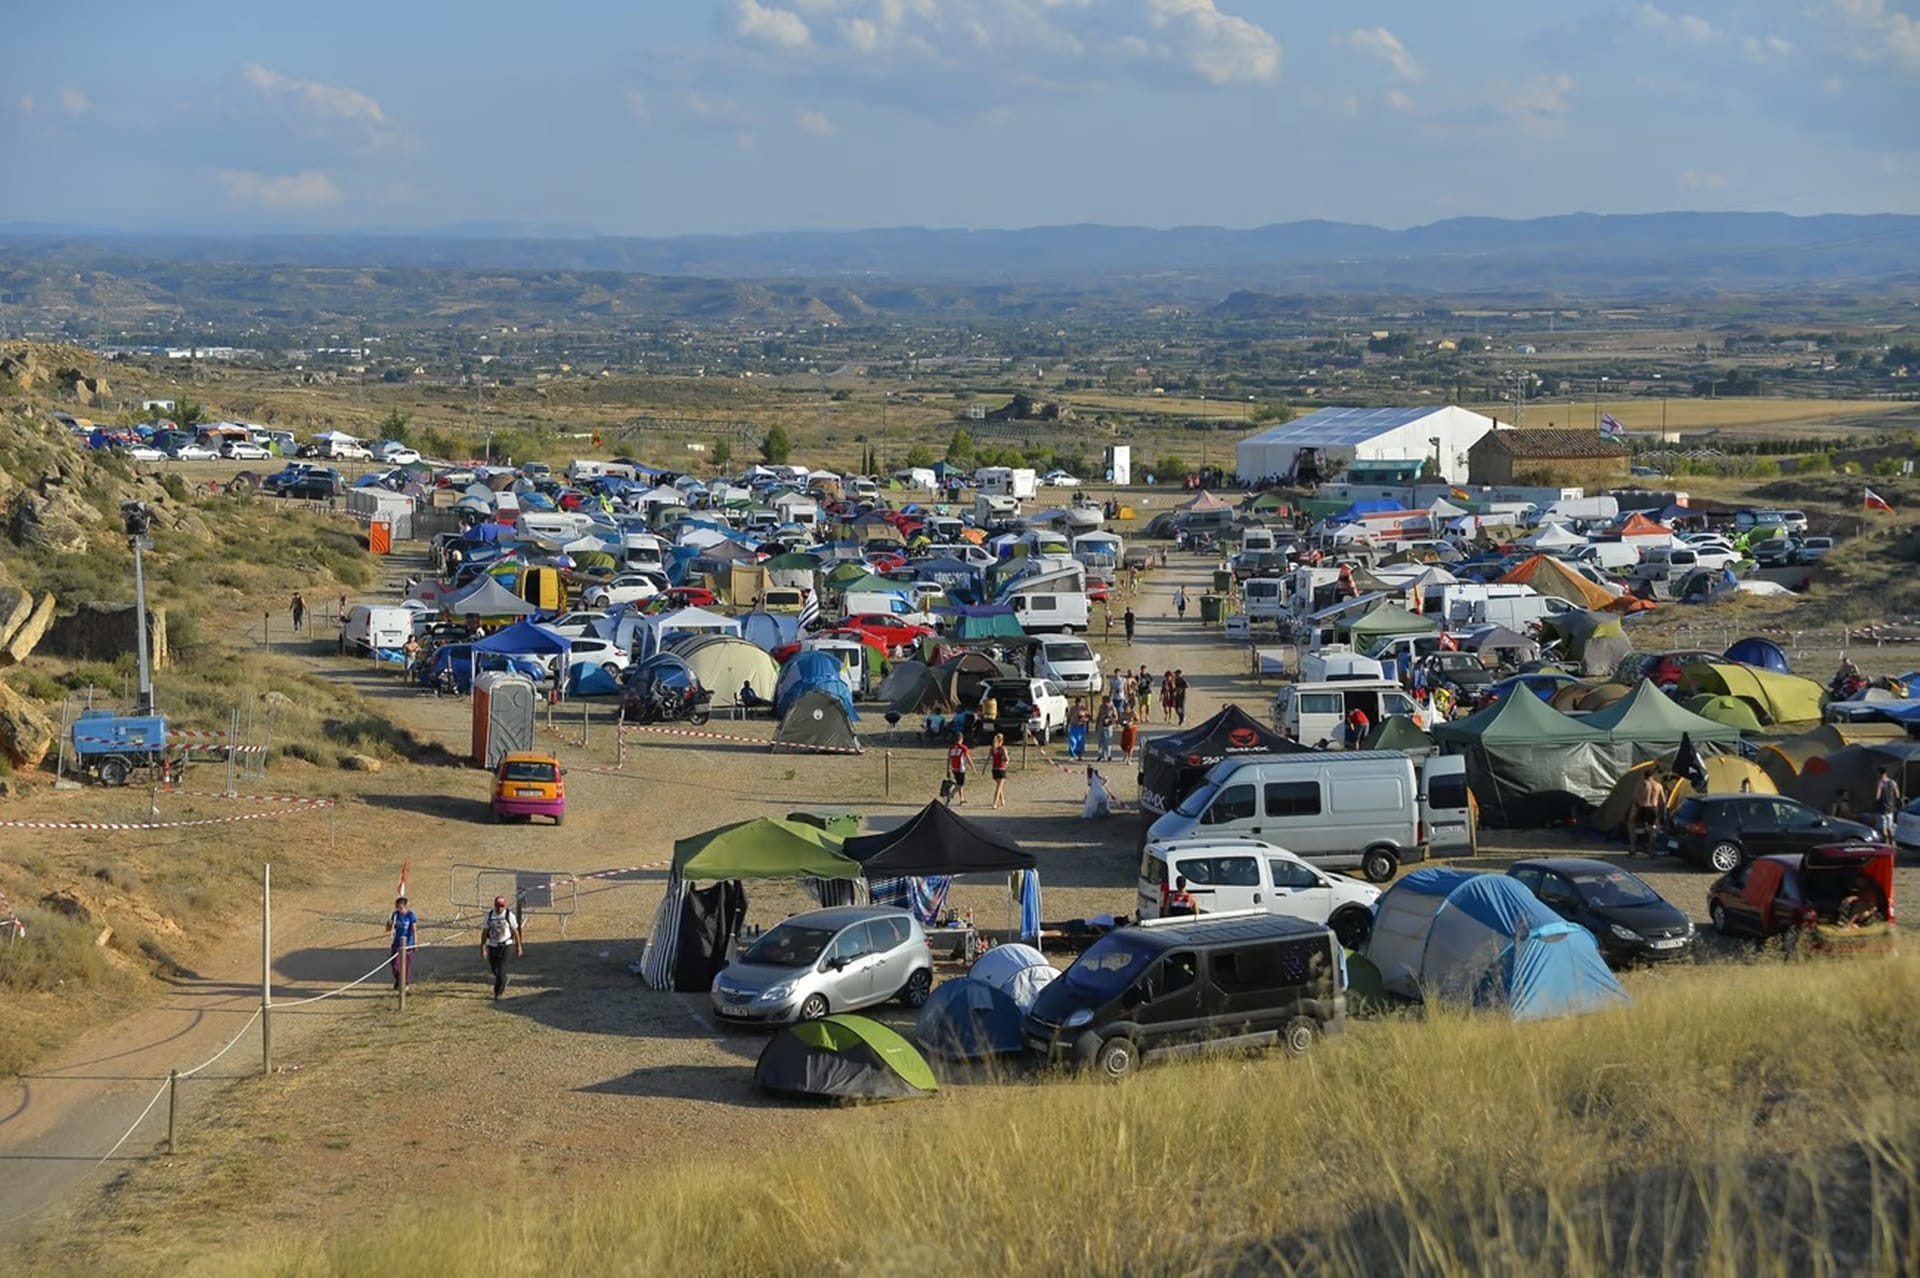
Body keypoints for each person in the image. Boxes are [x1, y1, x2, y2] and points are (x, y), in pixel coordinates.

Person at [480, 894, 523, 1001]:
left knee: (501, 970)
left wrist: (518, 946)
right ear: (494, 905)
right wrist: (483, 947)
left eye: (502, 906)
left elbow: (515, 931)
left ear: (504, 906)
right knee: (494, 969)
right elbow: (485, 932)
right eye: (498, 906)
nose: (499, 908)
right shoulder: (489, 916)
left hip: (506, 946)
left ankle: (497, 993)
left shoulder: (509, 915)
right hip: (493, 945)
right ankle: (504, 979)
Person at [1629, 770, 1668, 857]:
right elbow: (1663, 801)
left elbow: (1634, 797)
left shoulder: (1641, 783)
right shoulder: (1658, 785)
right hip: (1653, 808)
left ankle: (1633, 848)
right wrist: (1661, 814)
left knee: (1632, 825)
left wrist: (1634, 809)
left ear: (1644, 775)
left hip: (1642, 807)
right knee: (1652, 830)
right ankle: (1651, 851)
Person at [384, 894, 417, 990]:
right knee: (394, 964)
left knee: (406, 965)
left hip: (408, 944)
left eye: (401, 908)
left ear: (406, 906)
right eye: (397, 907)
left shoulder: (411, 915)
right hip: (397, 943)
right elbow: (388, 929)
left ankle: (405, 983)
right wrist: (389, 923)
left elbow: (414, 929)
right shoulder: (395, 915)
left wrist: (415, 942)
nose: (399, 909)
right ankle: (399, 979)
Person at [1873, 766, 1902, 841]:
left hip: (1882, 809)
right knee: (1890, 827)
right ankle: (1892, 841)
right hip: (1891, 809)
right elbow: (1898, 795)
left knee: (1884, 828)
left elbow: (1877, 797)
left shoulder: (1880, 783)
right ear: (1886, 772)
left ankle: (1886, 842)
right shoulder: (1893, 782)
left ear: (1879, 773)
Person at [946, 732, 974, 806]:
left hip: (954, 767)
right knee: (960, 784)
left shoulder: (951, 747)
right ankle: (951, 794)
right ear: (961, 739)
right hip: (961, 768)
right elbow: (968, 758)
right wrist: (973, 767)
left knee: (959, 782)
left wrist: (948, 769)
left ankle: (962, 799)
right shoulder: (963, 748)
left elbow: (949, 759)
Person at [990, 733, 1011, 808]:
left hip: (994, 769)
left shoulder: (992, 748)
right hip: (1001, 769)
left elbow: (988, 759)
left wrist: (984, 769)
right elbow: (1007, 759)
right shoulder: (1003, 748)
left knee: (999, 785)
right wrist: (1007, 761)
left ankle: (1002, 800)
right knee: (999, 787)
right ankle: (995, 802)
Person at [1096, 697, 1118, 762]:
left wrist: (1110, 720)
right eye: (1103, 701)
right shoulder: (1101, 707)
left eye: (1105, 701)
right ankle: (1100, 755)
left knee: (1108, 741)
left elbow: (1116, 717)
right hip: (1101, 725)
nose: (1103, 702)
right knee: (1101, 741)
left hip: (1108, 726)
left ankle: (1108, 755)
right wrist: (1097, 725)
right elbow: (1099, 715)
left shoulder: (1112, 708)